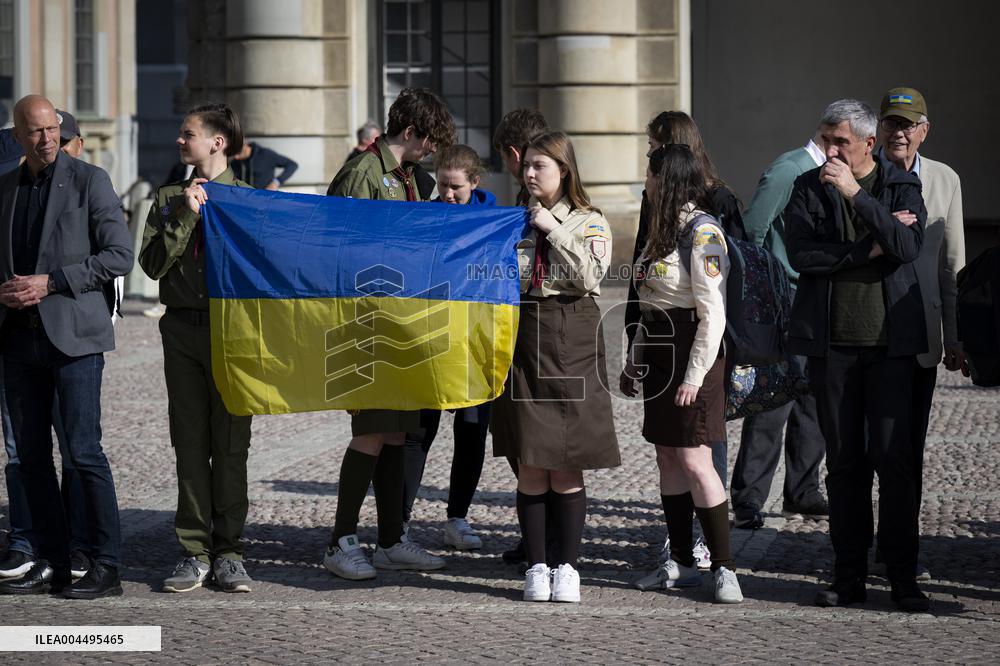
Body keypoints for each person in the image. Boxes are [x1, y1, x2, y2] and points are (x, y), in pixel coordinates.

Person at [783, 99, 929, 612]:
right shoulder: (806, 187)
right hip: (833, 347)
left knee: (895, 461)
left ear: (868, 143)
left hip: (891, 347)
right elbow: (801, 255)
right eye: (825, 138)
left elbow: (906, 246)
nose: (829, 149)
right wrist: (863, 251)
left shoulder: (900, 185)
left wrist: (857, 198)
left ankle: (904, 579)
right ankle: (848, 578)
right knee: (845, 465)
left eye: (840, 140)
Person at [0, 94, 132, 599]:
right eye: (35, 131)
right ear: (17, 136)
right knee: (30, 458)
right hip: (17, 340)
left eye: (52, 128)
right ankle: (54, 561)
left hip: (74, 338)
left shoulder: (89, 180)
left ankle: (106, 563)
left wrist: (51, 283)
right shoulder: (6, 187)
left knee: (83, 453)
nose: (47, 138)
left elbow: (119, 255)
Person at [322, 87, 456, 581]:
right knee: (372, 431)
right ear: (411, 132)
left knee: (399, 430)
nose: (433, 150)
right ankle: (340, 540)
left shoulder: (412, 178)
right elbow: (341, 246)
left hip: (404, 321)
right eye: (431, 140)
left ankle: (392, 538)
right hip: (366, 321)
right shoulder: (363, 172)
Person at [490, 131, 621, 604]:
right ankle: (536, 565)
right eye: (525, 165)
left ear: (563, 171)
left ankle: (568, 567)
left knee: (565, 464)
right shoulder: (512, 223)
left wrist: (552, 227)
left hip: (572, 339)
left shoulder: (590, 221)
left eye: (539, 166)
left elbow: (589, 275)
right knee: (530, 460)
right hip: (525, 339)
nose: (527, 173)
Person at [139, 103, 255, 594]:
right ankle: (193, 551)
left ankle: (229, 551)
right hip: (182, 331)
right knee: (189, 443)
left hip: (235, 334)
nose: (180, 142)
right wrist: (185, 215)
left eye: (188, 134)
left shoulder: (250, 200)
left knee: (230, 446)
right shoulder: (167, 198)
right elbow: (150, 265)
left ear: (217, 142)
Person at [622, 144, 744, 603]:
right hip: (658, 351)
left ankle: (725, 567)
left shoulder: (703, 232)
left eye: (650, 176)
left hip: (694, 352)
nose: (645, 183)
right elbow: (650, 301)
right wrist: (635, 357)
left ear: (666, 178)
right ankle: (682, 562)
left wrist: (694, 377)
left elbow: (713, 315)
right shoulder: (660, 229)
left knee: (696, 459)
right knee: (667, 458)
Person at [875, 87, 965, 582]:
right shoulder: (861, 175)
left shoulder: (944, 180)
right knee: (862, 450)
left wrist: (954, 335)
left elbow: (952, 265)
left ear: (925, 130)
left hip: (919, 333)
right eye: (892, 123)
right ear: (878, 129)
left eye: (909, 124)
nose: (900, 132)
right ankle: (853, 548)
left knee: (905, 450)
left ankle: (897, 550)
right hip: (863, 336)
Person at [730, 131, 829, 530]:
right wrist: (764, 286)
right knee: (772, 398)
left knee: (813, 396)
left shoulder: (826, 170)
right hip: (784, 296)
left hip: (816, 296)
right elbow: (753, 229)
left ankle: (803, 493)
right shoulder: (789, 169)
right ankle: (748, 497)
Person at [401, 145, 495, 551]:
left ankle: (457, 517)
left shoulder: (495, 220)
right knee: (419, 432)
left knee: (472, 432)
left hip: (476, 342)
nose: (448, 194)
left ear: (475, 183)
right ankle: (399, 522)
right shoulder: (423, 217)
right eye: (442, 185)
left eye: (456, 187)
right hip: (431, 336)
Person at [489, 107, 549, 565]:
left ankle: (546, 540)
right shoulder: (524, 195)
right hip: (523, 331)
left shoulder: (540, 202)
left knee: (535, 440)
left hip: (534, 333)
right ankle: (538, 537)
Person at [229, 140, 298, 190]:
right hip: (245, 200)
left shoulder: (266, 155)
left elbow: (292, 165)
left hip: (266, 199)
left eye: (237, 153)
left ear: (244, 146)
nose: (236, 157)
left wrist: (277, 182)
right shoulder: (235, 162)